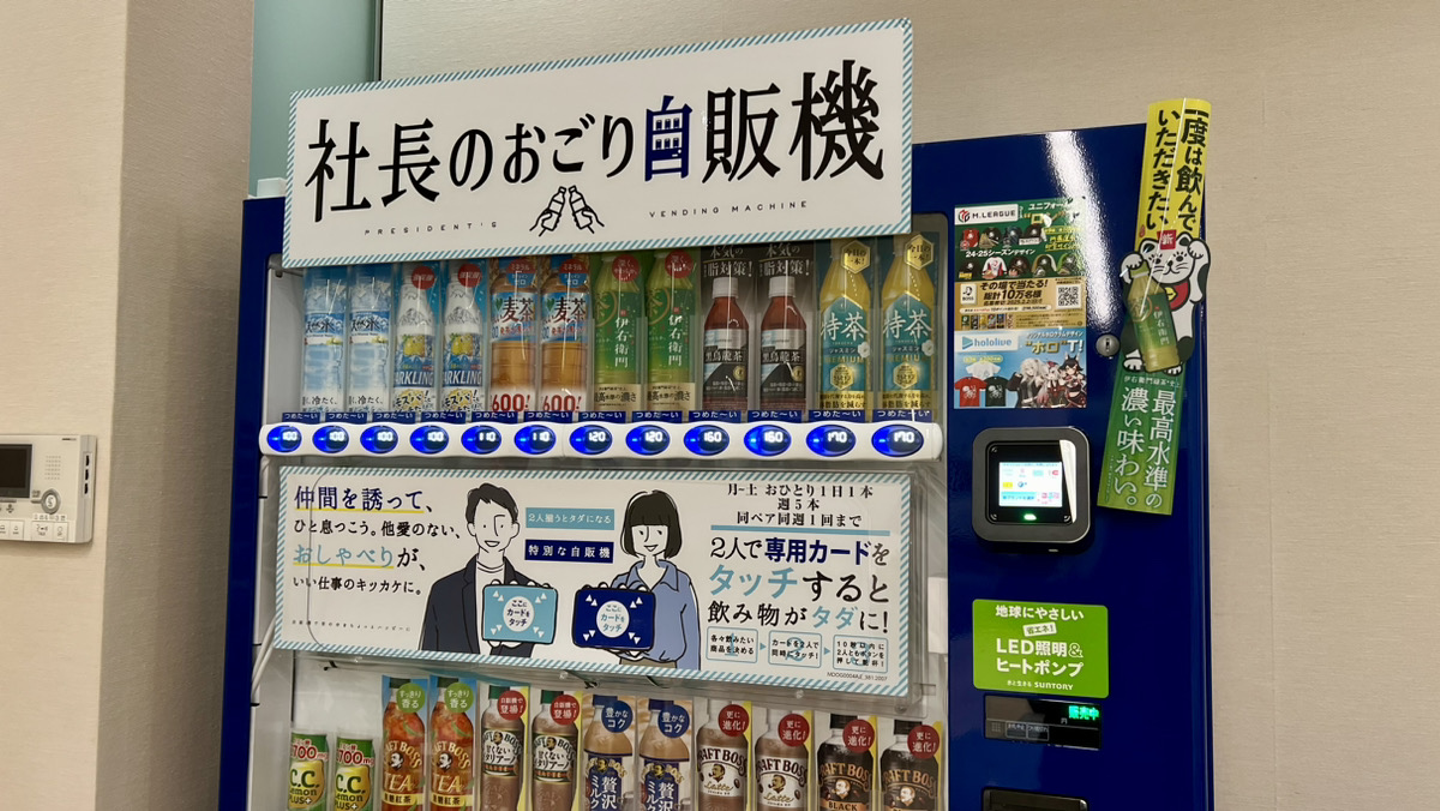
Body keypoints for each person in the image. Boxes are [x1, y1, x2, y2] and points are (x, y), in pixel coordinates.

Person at [420, 483, 540, 656]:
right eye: (484, 524)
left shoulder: (530, 592)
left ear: (514, 529)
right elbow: (427, 656)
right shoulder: (444, 590)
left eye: (501, 525)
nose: (493, 533)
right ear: (472, 527)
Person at [609, 490, 701, 669]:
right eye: (641, 532)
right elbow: (609, 633)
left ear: (670, 533)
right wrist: (625, 651)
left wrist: (691, 677)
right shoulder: (622, 583)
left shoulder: (681, 582)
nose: (649, 539)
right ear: (630, 534)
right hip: (627, 666)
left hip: (670, 668)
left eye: (658, 531)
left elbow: (691, 637)